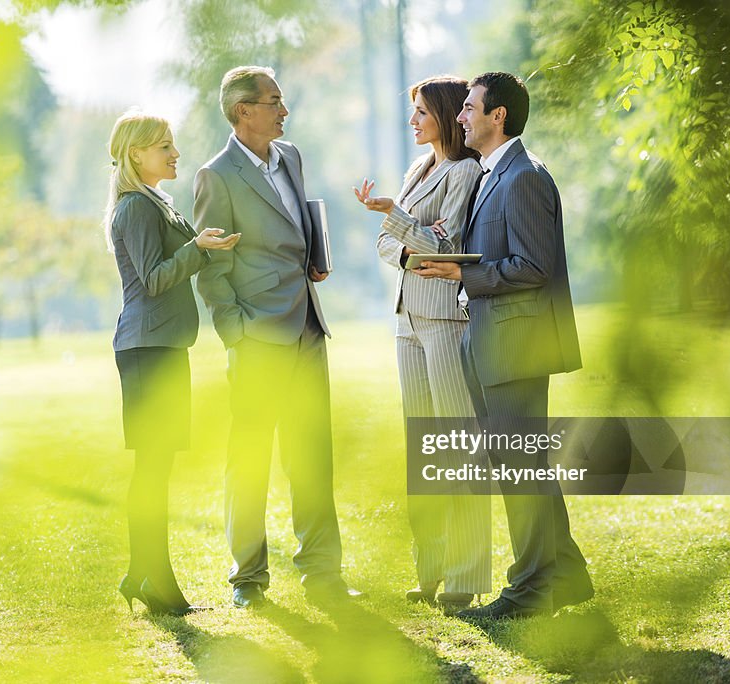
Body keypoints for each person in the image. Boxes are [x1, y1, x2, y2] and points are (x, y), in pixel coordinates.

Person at [414, 72, 593, 620]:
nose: (460, 117)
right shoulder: (496, 173)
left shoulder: (524, 177)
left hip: (516, 343)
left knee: (519, 466)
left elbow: (533, 266)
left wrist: (464, 275)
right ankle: (564, 575)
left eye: (469, 108)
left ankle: (530, 589)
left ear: (499, 117)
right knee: (522, 463)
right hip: (490, 339)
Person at [194, 66, 361, 608]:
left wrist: (315, 258)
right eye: (274, 101)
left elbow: (295, 225)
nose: (284, 111)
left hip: (308, 327)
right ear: (244, 110)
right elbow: (211, 270)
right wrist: (237, 335)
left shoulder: (290, 156)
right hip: (258, 338)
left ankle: (323, 573)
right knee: (250, 459)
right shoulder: (215, 177)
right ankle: (248, 578)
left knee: (312, 454)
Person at [352, 76, 491, 614]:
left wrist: (402, 222)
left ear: (446, 113)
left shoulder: (464, 172)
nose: (413, 120)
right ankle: (430, 568)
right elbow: (392, 243)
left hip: (445, 320)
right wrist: (409, 236)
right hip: (407, 317)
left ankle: (466, 572)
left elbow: (449, 243)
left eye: (420, 112)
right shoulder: (418, 169)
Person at [105, 109, 240, 616]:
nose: (175, 153)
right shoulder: (136, 208)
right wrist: (198, 247)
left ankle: (144, 575)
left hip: (161, 347)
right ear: (137, 154)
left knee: (156, 467)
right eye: (164, 146)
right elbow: (155, 278)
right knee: (152, 468)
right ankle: (151, 578)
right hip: (147, 349)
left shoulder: (153, 202)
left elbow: (174, 261)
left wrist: (204, 247)